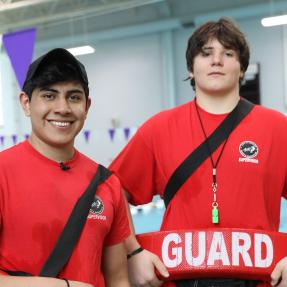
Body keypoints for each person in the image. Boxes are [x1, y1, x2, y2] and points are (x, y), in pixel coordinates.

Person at [110, 18, 287, 287]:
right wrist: (133, 252)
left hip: (259, 279)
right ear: (191, 69)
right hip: (179, 279)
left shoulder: (277, 128)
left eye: (228, 53)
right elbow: (111, 190)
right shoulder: (159, 129)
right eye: (206, 54)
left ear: (241, 69)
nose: (217, 60)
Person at [0, 48, 131, 287]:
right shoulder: (2, 173)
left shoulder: (106, 183)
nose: (63, 108)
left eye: (73, 97)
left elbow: (119, 280)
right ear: (26, 103)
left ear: (87, 106)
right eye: (49, 96)